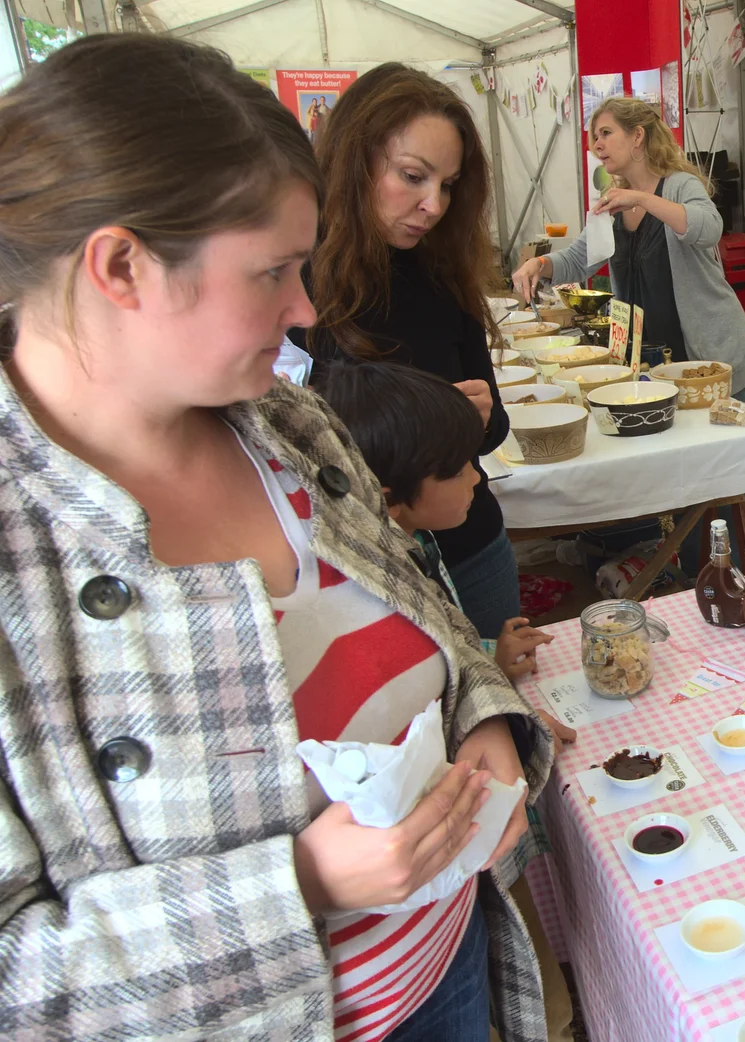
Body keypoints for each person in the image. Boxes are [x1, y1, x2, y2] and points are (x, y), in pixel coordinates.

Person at [0, 35, 554, 1042]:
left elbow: (435, 611)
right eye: (272, 273)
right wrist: (298, 881)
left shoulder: (289, 428)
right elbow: (17, 977)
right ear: (121, 265)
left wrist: (485, 725)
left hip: (444, 966)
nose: (304, 310)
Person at [317, 359, 580, 1042]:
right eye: (460, 465)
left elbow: (447, 648)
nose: (476, 477)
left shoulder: (420, 546)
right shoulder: (381, 578)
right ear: (387, 493)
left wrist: (488, 662)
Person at [291, 63, 518, 639]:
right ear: (354, 159)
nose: (434, 205)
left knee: (509, 704)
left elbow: (492, 430)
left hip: (471, 546)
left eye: (448, 185)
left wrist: (474, 418)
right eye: (413, 176)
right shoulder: (294, 279)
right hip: (366, 568)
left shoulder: (441, 272)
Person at [512, 96, 745, 398]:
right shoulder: (614, 200)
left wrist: (642, 199)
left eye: (606, 133)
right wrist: (538, 264)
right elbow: (579, 259)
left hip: (705, 361)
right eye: (595, 137)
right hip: (647, 363)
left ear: (637, 136)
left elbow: (709, 228)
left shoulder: (680, 185)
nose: (596, 145)